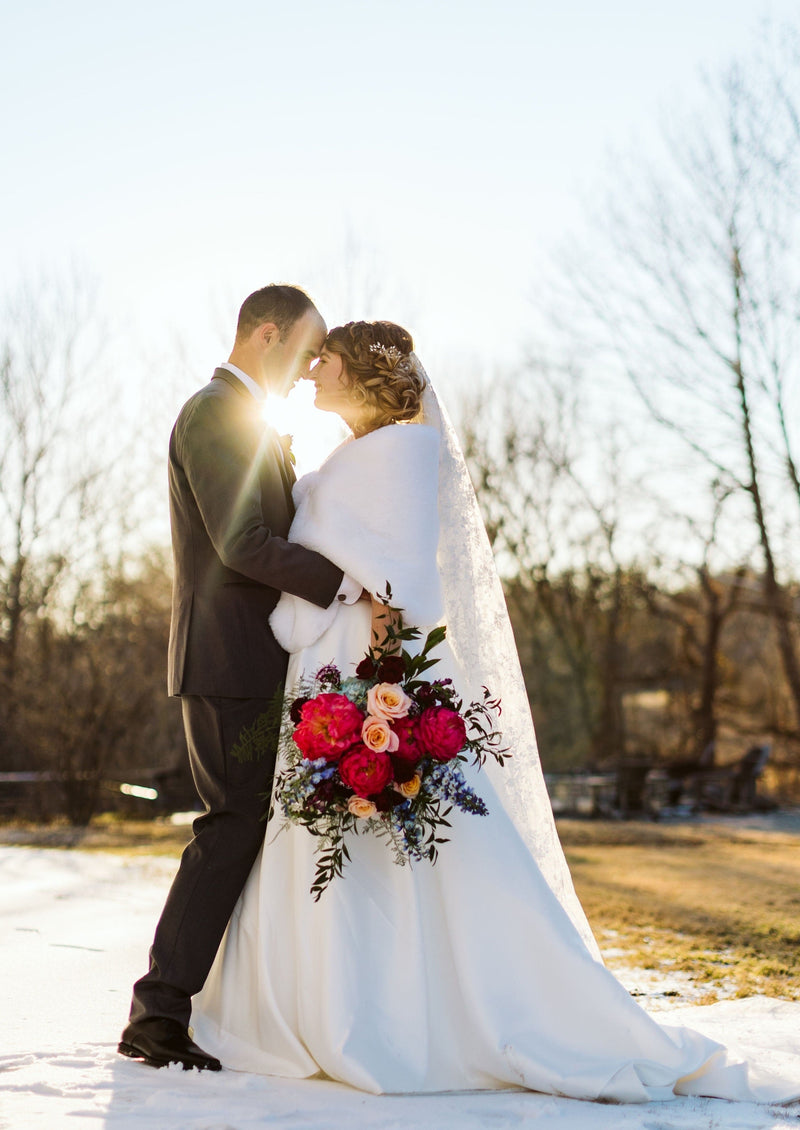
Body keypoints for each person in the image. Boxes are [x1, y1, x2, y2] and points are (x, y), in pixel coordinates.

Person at [190, 321, 799, 1103]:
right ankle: (328, 999)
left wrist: (367, 646)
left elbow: (398, 577)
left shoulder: (400, 453)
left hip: (365, 672)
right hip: (331, 669)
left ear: (365, 376)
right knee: (338, 844)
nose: (311, 372)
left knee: (402, 850)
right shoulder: (360, 451)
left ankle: (399, 1011)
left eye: (326, 360)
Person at [119, 286, 361, 1072]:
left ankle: (213, 1007)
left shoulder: (248, 418)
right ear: (267, 333)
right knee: (230, 827)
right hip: (227, 663)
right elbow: (241, 541)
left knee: (245, 828)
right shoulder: (216, 413)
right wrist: (345, 582)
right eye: (307, 348)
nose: (311, 369)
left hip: (252, 660)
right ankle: (157, 1016)